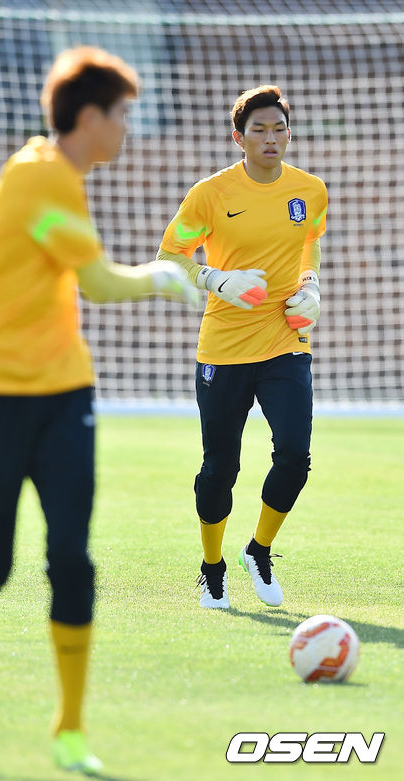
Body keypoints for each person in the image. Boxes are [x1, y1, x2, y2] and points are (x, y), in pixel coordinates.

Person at [0, 46, 199, 774]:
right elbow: (99, 284)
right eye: (122, 115)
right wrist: (160, 277)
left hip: (63, 399)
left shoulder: (35, 173)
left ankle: (70, 731)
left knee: (72, 562)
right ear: (89, 117)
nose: (128, 128)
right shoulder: (44, 179)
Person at [157, 85, 328, 610]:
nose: (271, 138)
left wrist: (311, 286)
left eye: (279, 128)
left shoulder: (310, 191)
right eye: (259, 129)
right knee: (219, 469)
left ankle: (259, 549)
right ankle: (212, 567)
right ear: (239, 138)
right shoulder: (211, 194)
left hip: (284, 340)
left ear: (289, 134)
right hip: (224, 348)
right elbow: (171, 255)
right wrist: (215, 279)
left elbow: (309, 243)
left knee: (295, 456)